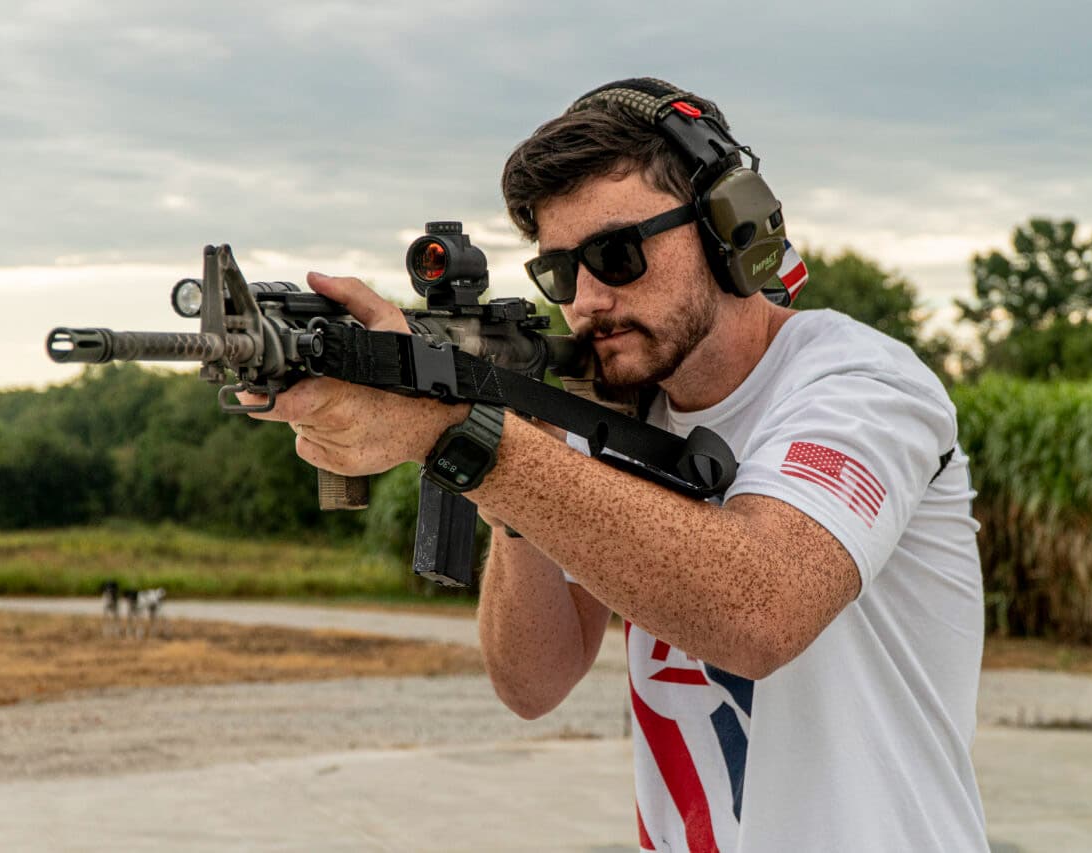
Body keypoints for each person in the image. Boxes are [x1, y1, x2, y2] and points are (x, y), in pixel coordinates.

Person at [247, 78, 988, 852]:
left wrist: (462, 435)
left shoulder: (862, 385)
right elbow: (532, 681)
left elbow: (760, 612)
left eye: (616, 254)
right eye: (561, 273)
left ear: (725, 227)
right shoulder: (624, 408)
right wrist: (512, 443)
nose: (588, 301)